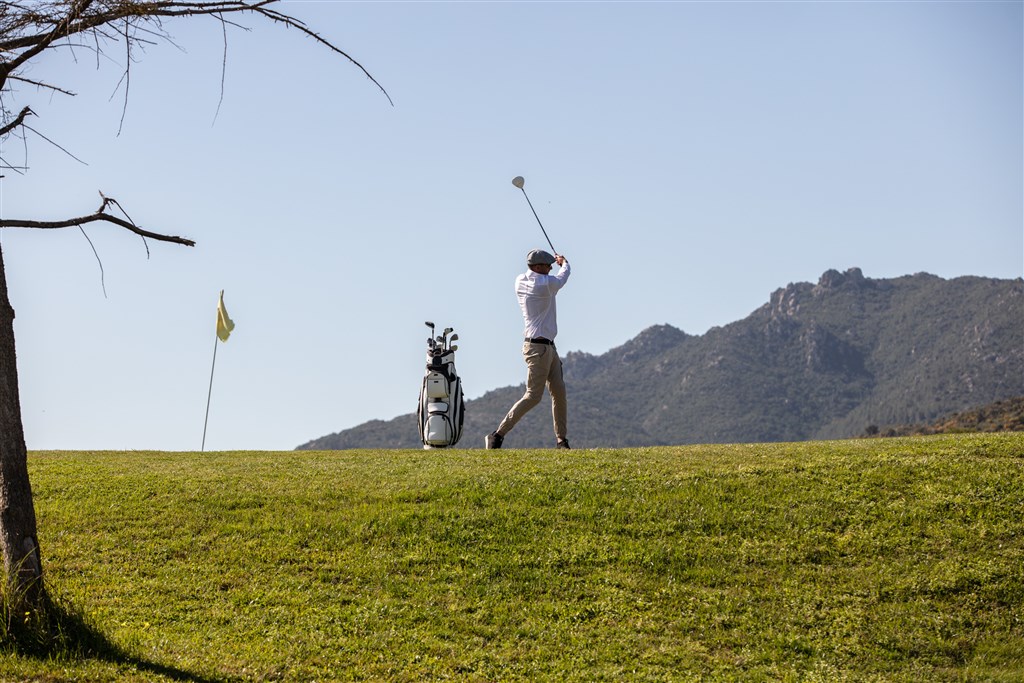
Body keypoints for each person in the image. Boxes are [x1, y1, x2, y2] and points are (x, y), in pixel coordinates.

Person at [486, 248, 571, 449]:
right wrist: (564, 263)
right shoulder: (544, 284)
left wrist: (556, 264)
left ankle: (562, 441)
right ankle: (497, 435)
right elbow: (562, 278)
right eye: (548, 265)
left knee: (559, 392)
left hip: (547, 347)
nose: (551, 268)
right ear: (538, 267)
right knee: (533, 396)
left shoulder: (520, 280)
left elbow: (554, 279)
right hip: (537, 349)